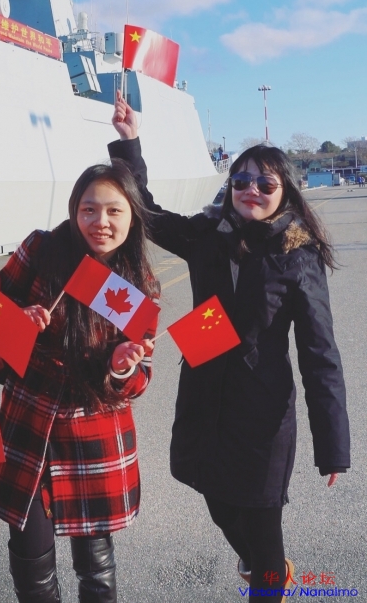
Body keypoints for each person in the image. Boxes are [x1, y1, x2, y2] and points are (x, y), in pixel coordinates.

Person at [109, 92, 350, 592]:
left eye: (265, 183)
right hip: (205, 393)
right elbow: (145, 212)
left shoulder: (298, 257)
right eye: (241, 181)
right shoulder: (206, 235)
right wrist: (130, 143)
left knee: (262, 522)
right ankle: (262, 565)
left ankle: (269, 579)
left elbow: (320, 354)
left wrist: (332, 443)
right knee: (215, 497)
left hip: (262, 411)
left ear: (285, 191)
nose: (251, 190)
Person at [0, 162, 158, 603]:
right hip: (28, 427)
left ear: (132, 215)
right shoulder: (42, 249)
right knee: (30, 559)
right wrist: (16, 322)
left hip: (94, 433)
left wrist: (121, 367)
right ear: (74, 210)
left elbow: (139, 379)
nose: (100, 222)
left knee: (96, 567)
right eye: (88, 209)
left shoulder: (138, 283)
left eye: (114, 211)